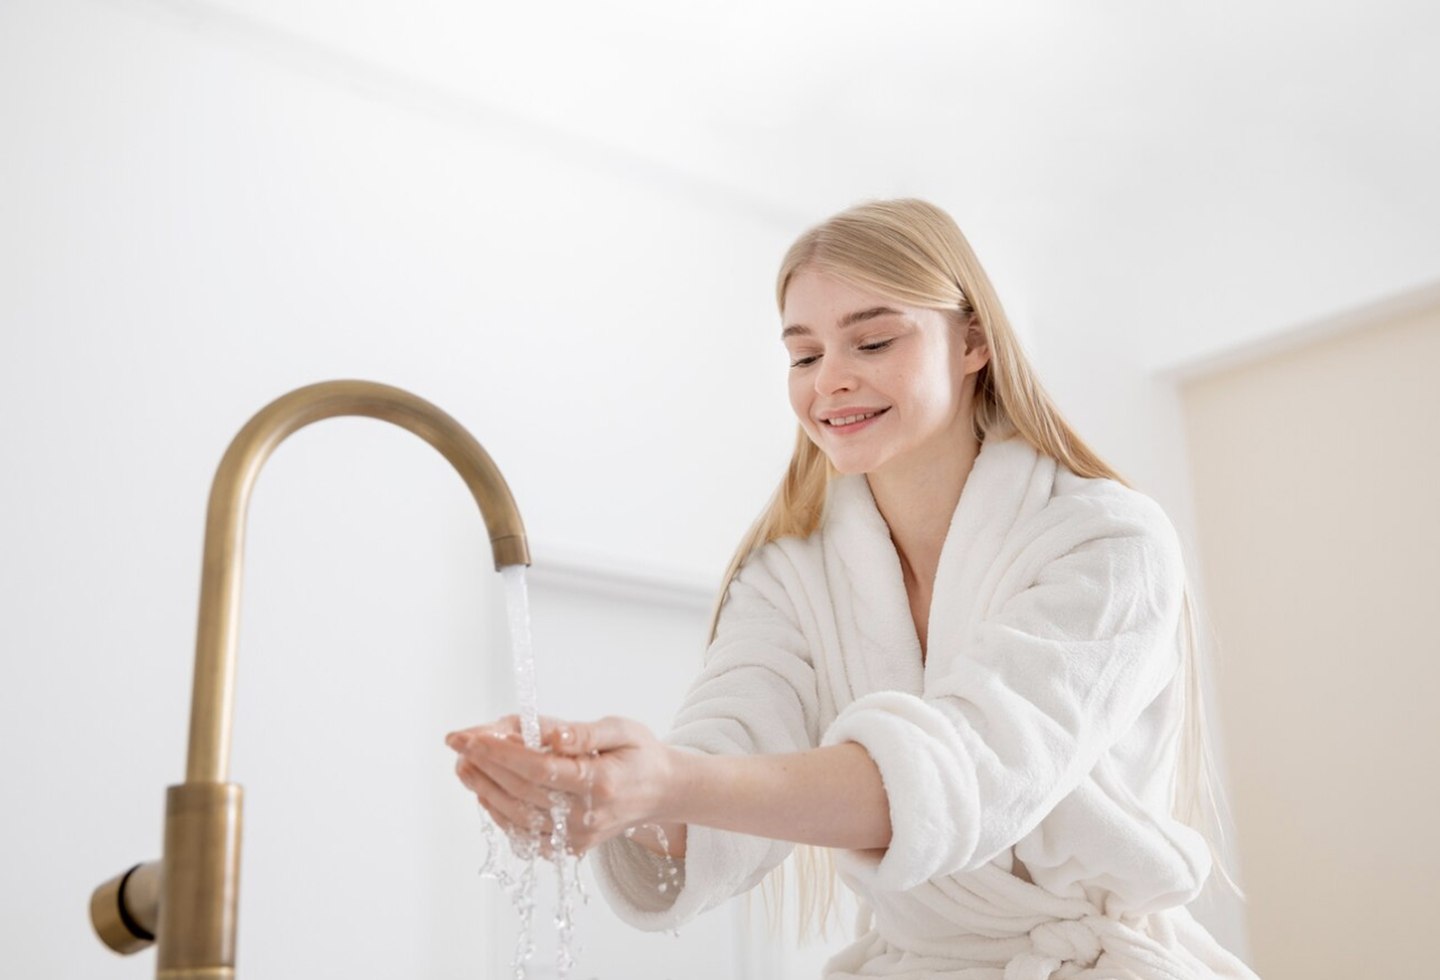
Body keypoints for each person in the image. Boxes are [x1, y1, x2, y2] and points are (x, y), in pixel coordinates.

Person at [446, 198, 1261, 979]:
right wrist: (619, 797)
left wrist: (669, 779)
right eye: (803, 355)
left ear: (973, 342)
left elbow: (966, 774)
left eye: (871, 343)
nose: (828, 381)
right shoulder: (789, 575)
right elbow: (726, 758)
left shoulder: (1107, 542)